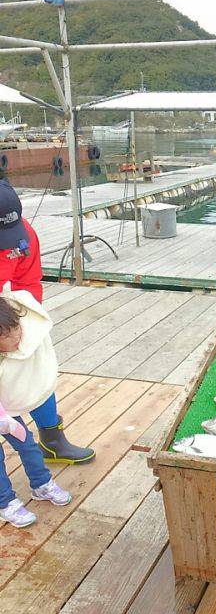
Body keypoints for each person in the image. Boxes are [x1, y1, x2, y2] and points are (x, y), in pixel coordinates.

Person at [0, 177, 95, 464]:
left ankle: (53, 441)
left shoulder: (21, 233)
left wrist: (25, 324)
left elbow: (29, 280)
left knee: (36, 367)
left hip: (9, 309)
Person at [0, 292, 72, 527]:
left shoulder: (18, 332)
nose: (17, 337)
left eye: (16, 329)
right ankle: (5, 502)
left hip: (5, 411)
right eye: (8, 336)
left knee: (28, 444)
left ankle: (41, 484)